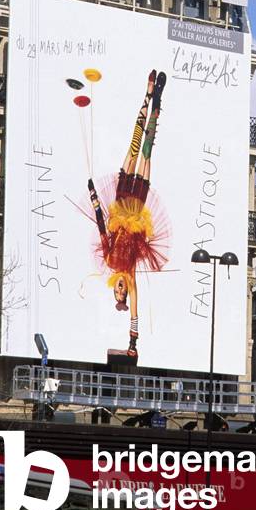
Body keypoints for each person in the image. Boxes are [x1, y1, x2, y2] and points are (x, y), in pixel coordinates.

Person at [87, 68, 168, 362]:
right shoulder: (131, 277)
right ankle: (157, 106)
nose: (121, 293)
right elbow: (136, 310)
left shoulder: (110, 261)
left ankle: (147, 97)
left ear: (114, 291)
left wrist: (95, 199)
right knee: (146, 154)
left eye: (118, 295)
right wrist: (133, 342)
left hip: (121, 205)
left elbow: (100, 228)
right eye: (123, 295)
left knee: (132, 151)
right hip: (136, 213)